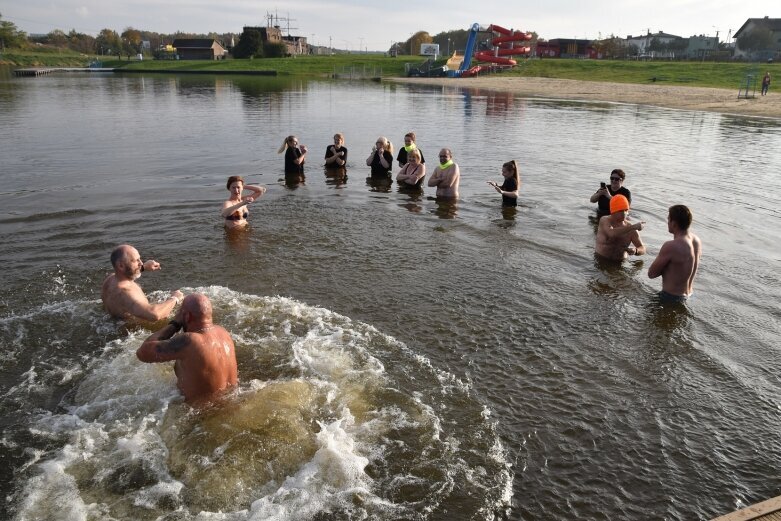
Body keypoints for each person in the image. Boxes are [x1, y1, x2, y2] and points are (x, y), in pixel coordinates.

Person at [136, 293, 238, 405]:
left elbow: (143, 352)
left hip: (198, 415)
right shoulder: (223, 333)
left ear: (187, 316)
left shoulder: (190, 341)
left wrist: (174, 324)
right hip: (229, 405)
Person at [101, 244, 183, 321]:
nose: (141, 263)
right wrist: (174, 298)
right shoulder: (124, 292)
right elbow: (155, 315)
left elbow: (126, 272)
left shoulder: (110, 279)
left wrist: (144, 267)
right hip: (130, 331)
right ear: (121, 266)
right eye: (136, 261)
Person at [648, 205, 702, 303]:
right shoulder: (696, 241)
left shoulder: (671, 246)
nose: (667, 222)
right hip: (690, 295)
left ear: (674, 223)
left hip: (671, 298)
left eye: (669, 219)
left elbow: (651, 274)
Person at [595, 195, 646, 261]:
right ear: (613, 211)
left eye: (626, 210)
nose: (624, 213)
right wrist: (633, 227)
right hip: (600, 259)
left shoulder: (630, 227)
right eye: (621, 211)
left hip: (620, 262)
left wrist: (636, 251)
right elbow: (611, 233)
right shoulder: (604, 220)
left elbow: (643, 248)